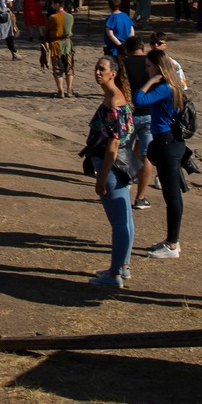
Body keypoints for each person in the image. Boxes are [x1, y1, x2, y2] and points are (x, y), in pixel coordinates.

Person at [83, 55, 136, 288]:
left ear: (113, 72)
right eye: (96, 68)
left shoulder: (114, 101)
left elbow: (114, 144)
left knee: (119, 222)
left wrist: (101, 178)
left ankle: (114, 274)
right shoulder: (112, 97)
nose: (97, 72)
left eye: (102, 69)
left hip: (111, 167)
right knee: (125, 219)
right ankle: (122, 266)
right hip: (114, 165)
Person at [132, 46, 189, 259]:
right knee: (171, 193)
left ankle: (173, 244)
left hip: (167, 142)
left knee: (172, 195)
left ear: (158, 67)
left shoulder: (165, 87)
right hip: (167, 141)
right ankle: (170, 240)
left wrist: (150, 81)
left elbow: (139, 100)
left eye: (149, 66)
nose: (146, 70)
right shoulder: (172, 86)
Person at [45, 0, 74, 96]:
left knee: (58, 68)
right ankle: (69, 90)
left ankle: (61, 91)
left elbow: (48, 31)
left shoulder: (52, 17)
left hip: (56, 45)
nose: (51, 6)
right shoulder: (70, 17)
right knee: (69, 67)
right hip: (68, 44)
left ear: (57, 4)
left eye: (52, 3)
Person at [102, 0, 134, 65]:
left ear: (109, 6)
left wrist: (120, 45)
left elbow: (110, 34)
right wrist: (128, 43)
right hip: (126, 47)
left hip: (114, 48)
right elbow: (132, 32)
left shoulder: (111, 18)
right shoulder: (126, 16)